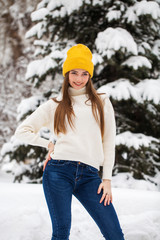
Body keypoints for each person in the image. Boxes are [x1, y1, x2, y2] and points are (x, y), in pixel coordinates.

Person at [14, 43, 125, 240]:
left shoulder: (101, 102)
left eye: (84, 74)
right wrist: (48, 144)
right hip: (58, 172)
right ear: (67, 74)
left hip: (90, 176)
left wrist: (106, 179)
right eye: (74, 73)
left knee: (114, 233)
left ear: (90, 76)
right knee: (61, 232)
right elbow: (22, 131)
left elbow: (108, 141)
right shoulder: (55, 105)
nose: (79, 79)